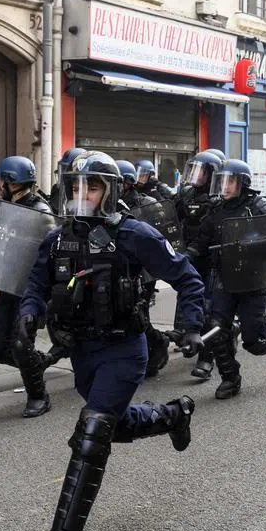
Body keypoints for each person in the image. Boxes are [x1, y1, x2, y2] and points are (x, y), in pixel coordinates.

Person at [19, 151, 204, 531]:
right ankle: (174, 415)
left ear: (112, 191)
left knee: (94, 428)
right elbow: (35, 283)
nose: (83, 195)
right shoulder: (58, 238)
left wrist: (190, 326)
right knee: (108, 424)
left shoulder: (135, 235)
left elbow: (187, 278)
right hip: (81, 353)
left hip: (124, 350)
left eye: (93, 186)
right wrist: (29, 313)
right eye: (77, 186)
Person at [191, 159, 266, 399]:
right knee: (216, 330)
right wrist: (185, 256)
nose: (224, 187)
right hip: (224, 279)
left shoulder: (260, 206)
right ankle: (230, 378)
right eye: (221, 181)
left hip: (253, 280)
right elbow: (201, 240)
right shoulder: (215, 210)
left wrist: (252, 247)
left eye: (230, 181)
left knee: (255, 344)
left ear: (242, 183)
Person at [0, 155, 57, 418]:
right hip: (10, 285)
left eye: (3, 182)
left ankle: (38, 396)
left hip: (32, 290)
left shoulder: (41, 212)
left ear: (14, 183)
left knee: (20, 345)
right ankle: (35, 363)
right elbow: (3, 245)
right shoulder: (7, 206)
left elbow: (49, 253)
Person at [115, 160, 170, 377]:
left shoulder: (146, 202)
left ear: (127, 182)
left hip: (143, 268)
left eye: (119, 182)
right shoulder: (108, 203)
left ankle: (156, 347)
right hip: (120, 265)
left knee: (138, 313)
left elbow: (161, 230)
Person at [175, 150, 224, 380]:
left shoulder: (220, 199)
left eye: (202, 172)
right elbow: (168, 217)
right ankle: (187, 337)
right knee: (188, 300)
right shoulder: (185, 195)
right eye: (193, 170)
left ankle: (207, 358)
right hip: (190, 256)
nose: (196, 176)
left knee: (209, 308)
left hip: (213, 262)